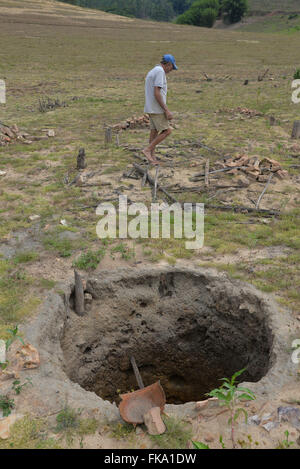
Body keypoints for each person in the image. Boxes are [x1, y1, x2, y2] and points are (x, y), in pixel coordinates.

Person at [142, 54, 178, 165]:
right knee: (167, 130)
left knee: (154, 132)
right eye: (172, 67)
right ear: (168, 64)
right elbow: (157, 92)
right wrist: (166, 110)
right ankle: (147, 150)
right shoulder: (160, 72)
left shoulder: (154, 70)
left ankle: (152, 158)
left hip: (150, 107)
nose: (171, 70)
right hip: (157, 108)